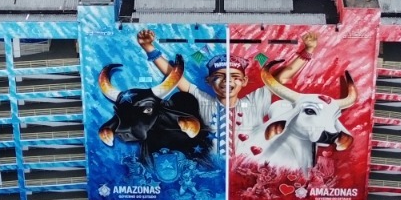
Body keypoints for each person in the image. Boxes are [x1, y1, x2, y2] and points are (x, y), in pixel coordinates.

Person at [136, 29, 318, 160]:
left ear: (244, 82)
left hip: (249, 168)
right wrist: (149, 48)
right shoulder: (202, 99)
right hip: (212, 172)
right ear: (209, 81)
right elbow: (174, 76)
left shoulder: (256, 100)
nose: (227, 82)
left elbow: (282, 76)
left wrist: (308, 50)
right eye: (219, 77)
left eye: (235, 77)